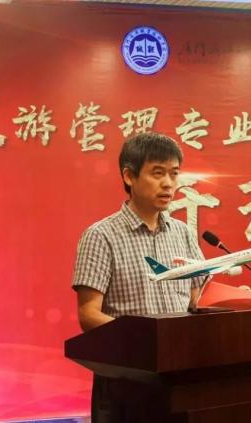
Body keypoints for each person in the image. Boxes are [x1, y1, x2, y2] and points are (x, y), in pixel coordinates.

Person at [71, 132, 205, 421]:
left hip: (181, 377)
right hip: (126, 380)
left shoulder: (183, 233)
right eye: (158, 173)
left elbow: (196, 300)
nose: (168, 183)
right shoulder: (101, 236)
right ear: (129, 176)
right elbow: (88, 314)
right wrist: (147, 340)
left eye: (174, 173)